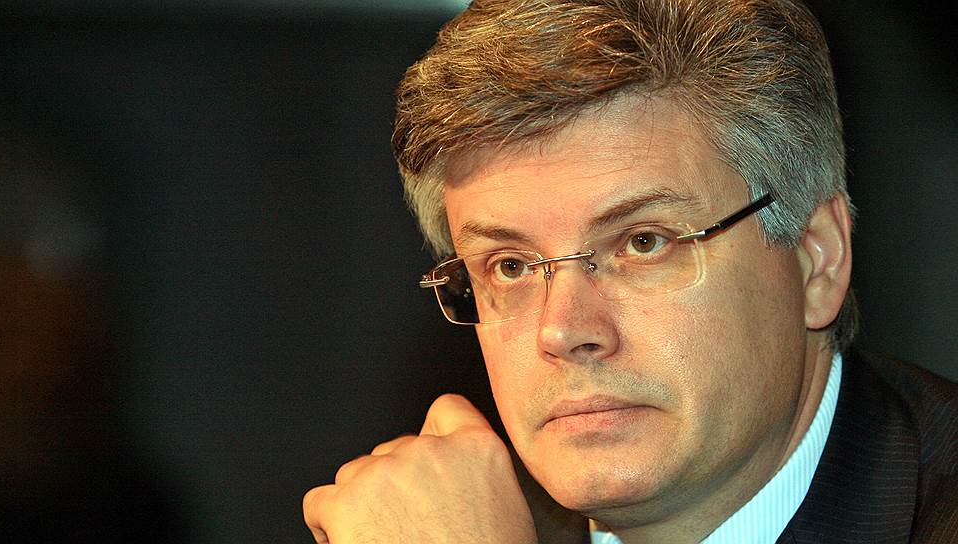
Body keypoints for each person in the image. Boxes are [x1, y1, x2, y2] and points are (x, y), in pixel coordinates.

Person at [303, 0, 958, 542]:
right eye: (511, 265)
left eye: (643, 243)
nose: (564, 331)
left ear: (817, 258)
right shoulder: (444, 520)